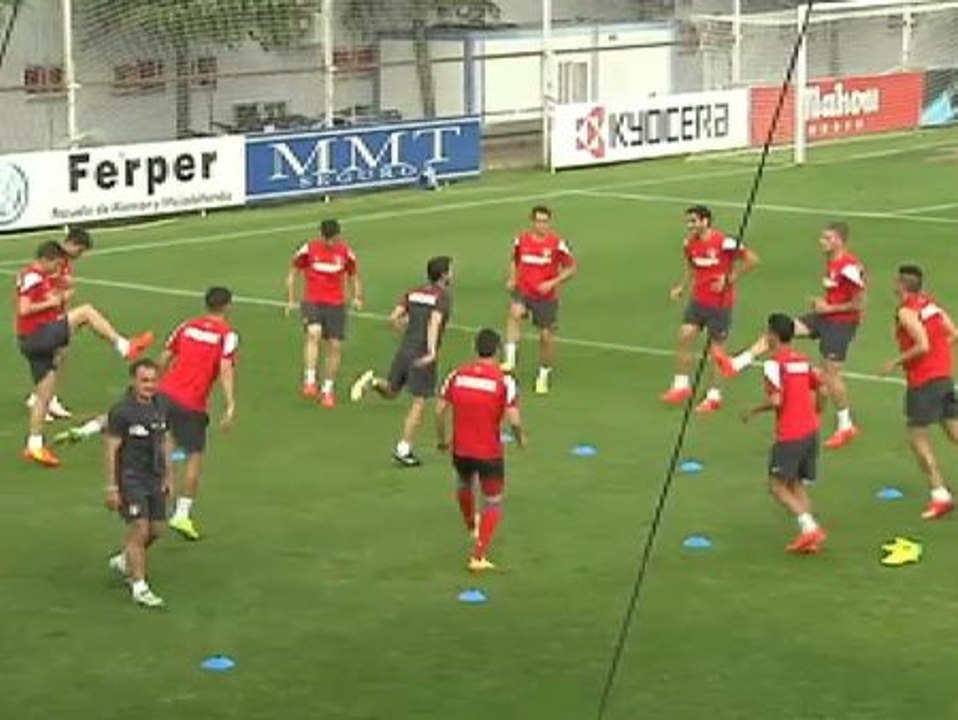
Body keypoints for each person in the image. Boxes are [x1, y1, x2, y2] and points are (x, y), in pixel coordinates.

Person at [55, 287, 238, 541]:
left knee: (127, 414)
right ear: (227, 306)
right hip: (192, 404)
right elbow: (225, 366)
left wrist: (155, 384)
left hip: (166, 392)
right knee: (194, 457)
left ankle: (85, 430)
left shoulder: (186, 326)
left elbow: (166, 354)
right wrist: (230, 403)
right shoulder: (227, 335)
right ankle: (182, 513)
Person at [714, 221, 865, 448]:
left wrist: (829, 308)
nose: (821, 242)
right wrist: (823, 304)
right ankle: (736, 364)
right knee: (778, 331)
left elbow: (860, 303)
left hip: (840, 325)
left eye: (827, 238)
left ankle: (846, 426)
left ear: (839, 241)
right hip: (824, 319)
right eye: (822, 237)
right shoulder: (833, 262)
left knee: (831, 376)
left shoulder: (848, 267)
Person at [15, 240, 154, 467]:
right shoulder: (32, 276)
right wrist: (54, 301)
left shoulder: (38, 275)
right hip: (37, 335)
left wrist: (59, 287)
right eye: (55, 265)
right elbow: (24, 309)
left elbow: (48, 287)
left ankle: (34, 445)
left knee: (44, 393)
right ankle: (123, 346)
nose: (56, 269)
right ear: (46, 260)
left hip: (32, 340)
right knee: (85, 313)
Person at [350, 256, 453, 467]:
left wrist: (407, 332)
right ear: (443, 275)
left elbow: (394, 317)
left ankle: (374, 383)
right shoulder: (442, 296)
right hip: (422, 354)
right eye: (451, 270)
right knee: (419, 402)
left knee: (391, 391)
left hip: (405, 349)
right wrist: (431, 351)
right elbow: (434, 322)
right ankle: (404, 449)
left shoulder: (414, 292)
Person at [436, 328, 525, 572]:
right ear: (497, 350)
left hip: (461, 449)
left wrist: (442, 439)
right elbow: (514, 420)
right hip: (488, 452)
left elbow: (439, 410)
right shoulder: (503, 380)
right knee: (493, 501)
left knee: (464, 485)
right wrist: (520, 439)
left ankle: (471, 527)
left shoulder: (457, 374)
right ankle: (478, 555)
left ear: (475, 348)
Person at [741, 314, 827, 554]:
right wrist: (818, 410)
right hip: (810, 431)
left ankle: (810, 529)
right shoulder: (802, 360)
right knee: (796, 484)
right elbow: (823, 387)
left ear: (773, 336)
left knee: (776, 485)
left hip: (790, 435)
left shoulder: (773, 364)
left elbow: (777, 400)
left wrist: (754, 410)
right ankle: (811, 537)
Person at [663, 205, 758, 413]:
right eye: (688, 222)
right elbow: (692, 268)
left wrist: (729, 278)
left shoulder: (725, 242)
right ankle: (681, 386)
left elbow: (752, 260)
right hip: (698, 301)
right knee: (684, 335)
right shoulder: (689, 244)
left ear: (706, 221)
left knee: (716, 352)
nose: (690, 225)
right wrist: (681, 287)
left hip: (720, 305)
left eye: (694, 221)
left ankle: (714, 396)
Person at [880, 265, 957, 520]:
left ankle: (940, 495)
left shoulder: (906, 311)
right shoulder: (930, 304)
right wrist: (939, 353)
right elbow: (953, 334)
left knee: (918, 439)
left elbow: (922, 345)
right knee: (954, 432)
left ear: (902, 286)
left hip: (924, 382)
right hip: (944, 377)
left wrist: (896, 361)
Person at [103, 359, 173, 609]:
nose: (149, 386)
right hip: (131, 478)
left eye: (153, 381)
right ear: (133, 381)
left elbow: (165, 441)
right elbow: (111, 449)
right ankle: (139, 586)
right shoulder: (122, 412)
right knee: (140, 529)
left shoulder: (161, 405)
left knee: (156, 530)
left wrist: (168, 476)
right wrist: (111, 486)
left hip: (153, 476)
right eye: (144, 381)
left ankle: (126, 559)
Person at [285, 219, 363, 407]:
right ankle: (310, 380)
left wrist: (357, 296)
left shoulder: (345, 253)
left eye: (333, 238)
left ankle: (327, 389)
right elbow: (293, 271)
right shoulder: (309, 249)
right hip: (313, 300)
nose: (330, 242)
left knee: (334, 346)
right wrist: (291, 298)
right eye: (327, 238)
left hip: (336, 304)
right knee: (314, 333)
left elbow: (353, 275)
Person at [501, 205, 577, 395]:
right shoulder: (522, 240)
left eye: (544, 221)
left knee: (545, 337)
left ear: (549, 223)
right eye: (538, 221)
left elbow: (571, 268)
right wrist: (512, 278)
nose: (541, 225)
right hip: (524, 291)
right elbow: (514, 259)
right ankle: (510, 359)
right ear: (532, 221)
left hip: (546, 297)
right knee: (514, 313)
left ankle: (543, 374)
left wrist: (553, 282)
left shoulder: (556, 244)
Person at [26, 226, 93, 420]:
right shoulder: (52, 258)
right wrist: (61, 295)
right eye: (79, 251)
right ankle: (42, 399)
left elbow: (61, 289)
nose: (79, 255)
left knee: (61, 355)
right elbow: (40, 288)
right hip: (42, 321)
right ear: (71, 243)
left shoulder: (64, 263)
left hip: (55, 316)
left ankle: (47, 398)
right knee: (49, 358)